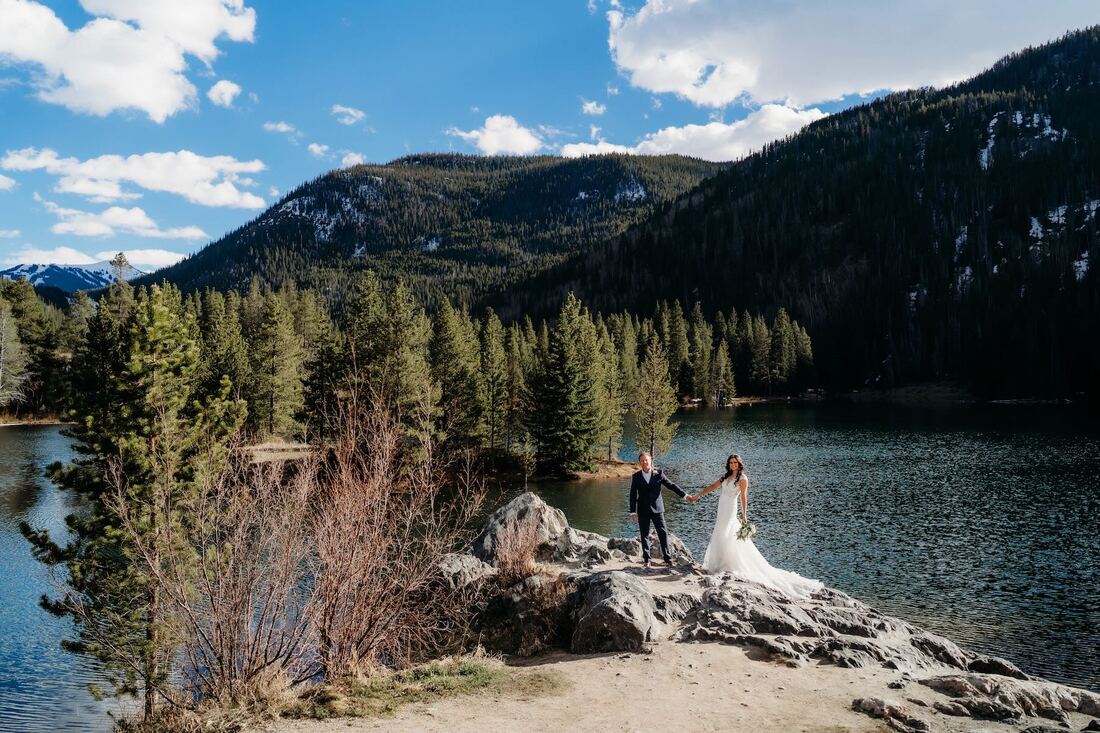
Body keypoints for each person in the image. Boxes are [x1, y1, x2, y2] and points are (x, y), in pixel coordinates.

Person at [690, 454, 822, 598]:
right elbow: (712, 487)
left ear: (739, 464)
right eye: (731, 462)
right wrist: (698, 496)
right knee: (719, 532)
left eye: (735, 462)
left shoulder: (742, 478)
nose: (733, 464)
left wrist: (744, 515)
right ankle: (720, 563)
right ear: (728, 464)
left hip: (730, 508)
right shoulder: (725, 477)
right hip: (722, 507)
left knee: (728, 533)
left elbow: (743, 497)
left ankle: (728, 564)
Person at [629, 451, 694, 567]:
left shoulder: (659, 474)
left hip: (657, 509)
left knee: (663, 534)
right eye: (642, 460)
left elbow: (672, 486)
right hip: (642, 509)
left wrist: (685, 496)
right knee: (644, 535)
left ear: (650, 461)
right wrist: (632, 512)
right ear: (639, 462)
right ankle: (646, 560)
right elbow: (632, 495)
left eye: (646, 460)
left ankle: (668, 559)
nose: (644, 462)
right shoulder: (636, 476)